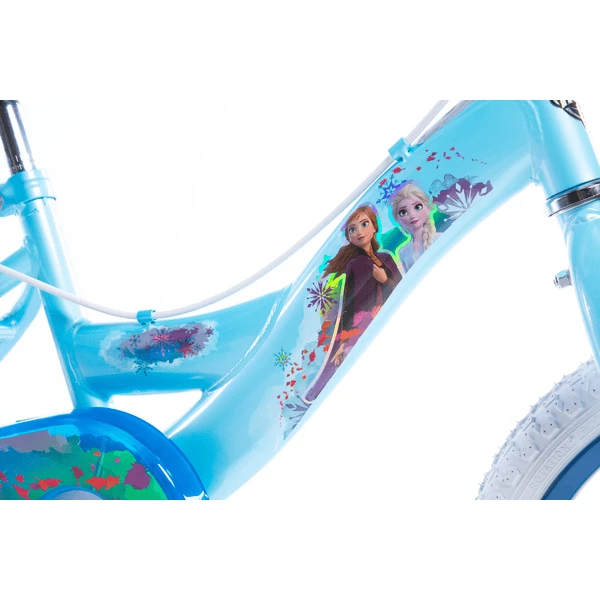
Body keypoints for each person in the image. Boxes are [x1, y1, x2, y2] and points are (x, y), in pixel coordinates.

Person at [305, 204, 401, 401]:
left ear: (374, 227)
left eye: (364, 224)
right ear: (348, 237)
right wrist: (343, 337)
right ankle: (317, 393)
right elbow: (349, 302)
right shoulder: (355, 264)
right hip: (362, 322)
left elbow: (401, 288)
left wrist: (385, 280)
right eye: (352, 229)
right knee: (342, 366)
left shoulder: (386, 257)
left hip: (386, 318)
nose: (359, 232)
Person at [390, 183, 441, 273]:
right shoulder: (403, 252)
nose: (412, 215)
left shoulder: (439, 238)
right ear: (397, 219)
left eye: (418, 207)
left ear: (428, 208)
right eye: (403, 212)